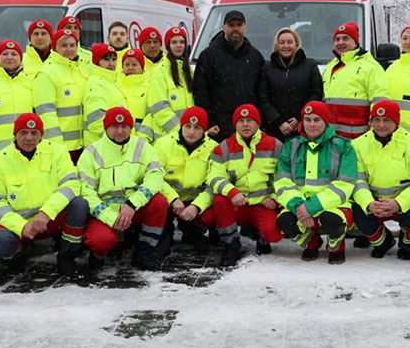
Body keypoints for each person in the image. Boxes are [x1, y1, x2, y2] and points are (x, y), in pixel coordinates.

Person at [0, 113, 87, 277]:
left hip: (50, 219)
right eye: (23, 133)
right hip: (20, 224)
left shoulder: (58, 151)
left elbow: (72, 183)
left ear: (42, 135)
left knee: (79, 204)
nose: (29, 138)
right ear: (15, 135)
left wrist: (47, 212)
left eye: (34, 133)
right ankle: (18, 253)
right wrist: (21, 226)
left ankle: (66, 256)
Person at [78, 106, 167, 272]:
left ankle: (143, 254)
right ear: (106, 128)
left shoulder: (143, 147)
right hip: (104, 212)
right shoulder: (90, 153)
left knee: (159, 202)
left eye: (124, 126)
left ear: (131, 128)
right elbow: (86, 193)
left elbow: (155, 176)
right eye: (114, 127)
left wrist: (133, 204)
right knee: (101, 241)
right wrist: (111, 218)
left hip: (133, 208)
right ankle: (98, 256)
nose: (120, 131)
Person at [275, 102, 357, 264]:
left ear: (326, 122)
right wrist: (299, 206)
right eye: (308, 119)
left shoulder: (343, 146)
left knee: (333, 220)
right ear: (302, 122)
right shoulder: (291, 146)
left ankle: (336, 248)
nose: (312, 124)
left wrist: (312, 206)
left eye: (317, 119)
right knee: (284, 221)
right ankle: (312, 243)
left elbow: (345, 184)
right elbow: (283, 181)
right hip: (301, 205)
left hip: (333, 204)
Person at [207, 104, 284, 266]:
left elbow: (285, 178)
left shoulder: (275, 145)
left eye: (250, 120)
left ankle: (262, 236)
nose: (245, 124)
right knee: (220, 200)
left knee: (273, 234)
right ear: (235, 125)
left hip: (263, 205)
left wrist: (275, 199)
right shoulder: (224, 147)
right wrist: (232, 191)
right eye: (241, 121)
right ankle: (231, 245)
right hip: (238, 204)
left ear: (258, 123)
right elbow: (214, 176)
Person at [351, 100, 410, 259]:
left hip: (402, 198)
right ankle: (384, 242)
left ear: (396, 122)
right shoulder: (358, 144)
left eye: (386, 120)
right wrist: (369, 204)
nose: (381, 125)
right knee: (358, 209)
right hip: (374, 199)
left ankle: (407, 245)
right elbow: (358, 180)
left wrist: (399, 203)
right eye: (376, 120)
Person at [193, 10, 266, 141]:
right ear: (223, 27)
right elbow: (201, 92)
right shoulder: (208, 56)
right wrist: (209, 121)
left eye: (239, 24)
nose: (235, 28)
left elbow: (262, 93)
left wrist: (261, 122)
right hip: (220, 129)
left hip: (250, 127)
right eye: (231, 25)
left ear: (245, 27)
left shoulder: (256, 56)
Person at [152, 107, 218, 252]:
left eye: (197, 127)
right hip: (168, 200)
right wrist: (173, 199)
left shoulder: (214, 148)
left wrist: (197, 206)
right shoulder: (162, 145)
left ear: (204, 130)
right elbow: (154, 177)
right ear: (181, 126)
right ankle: (164, 230)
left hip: (194, 201)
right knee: (156, 203)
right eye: (187, 126)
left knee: (212, 215)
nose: (191, 132)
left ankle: (191, 226)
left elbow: (214, 184)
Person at [322, 22, 388, 140]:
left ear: (356, 42)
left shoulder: (371, 67)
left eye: (345, 38)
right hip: (330, 139)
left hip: (359, 139)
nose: (340, 42)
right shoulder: (329, 67)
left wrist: (373, 134)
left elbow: (380, 103)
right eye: (337, 39)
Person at [33, 28, 89, 162]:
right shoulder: (47, 73)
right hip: (64, 147)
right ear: (55, 48)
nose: (69, 49)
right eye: (64, 45)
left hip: (85, 146)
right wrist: (57, 147)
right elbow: (46, 114)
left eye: (72, 45)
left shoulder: (82, 70)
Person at [260, 27, 323, 141]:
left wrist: (300, 117)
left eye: (290, 42)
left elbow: (316, 93)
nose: (286, 46)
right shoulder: (267, 68)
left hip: (304, 128)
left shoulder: (310, 65)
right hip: (274, 130)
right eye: (282, 42)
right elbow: (263, 98)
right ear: (276, 45)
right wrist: (279, 122)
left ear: (297, 44)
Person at [146, 26, 201, 140]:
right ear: (168, 45)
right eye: (174, 42)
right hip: (167, 137)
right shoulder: (159, 71)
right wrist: (180, 130)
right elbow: (159, 107)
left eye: (182, 42)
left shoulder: (188, 71)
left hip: (188, 136)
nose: (178, 45)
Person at [83, 43, 125, 146]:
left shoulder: (111, 81)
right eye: (106, 59)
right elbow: (96, 121)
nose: (111, 63)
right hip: (102, 147)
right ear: (97, 62)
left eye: (114, 59)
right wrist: (117, 140)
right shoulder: (97, 84)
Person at [115, 48, 154, 140]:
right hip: (118, 137)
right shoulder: (115, 84)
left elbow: (151, 115)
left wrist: (143, 138)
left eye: (134, 64)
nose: (130, 67)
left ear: (142, 67)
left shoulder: (150, 86)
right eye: (127, 64)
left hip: (142, 139)